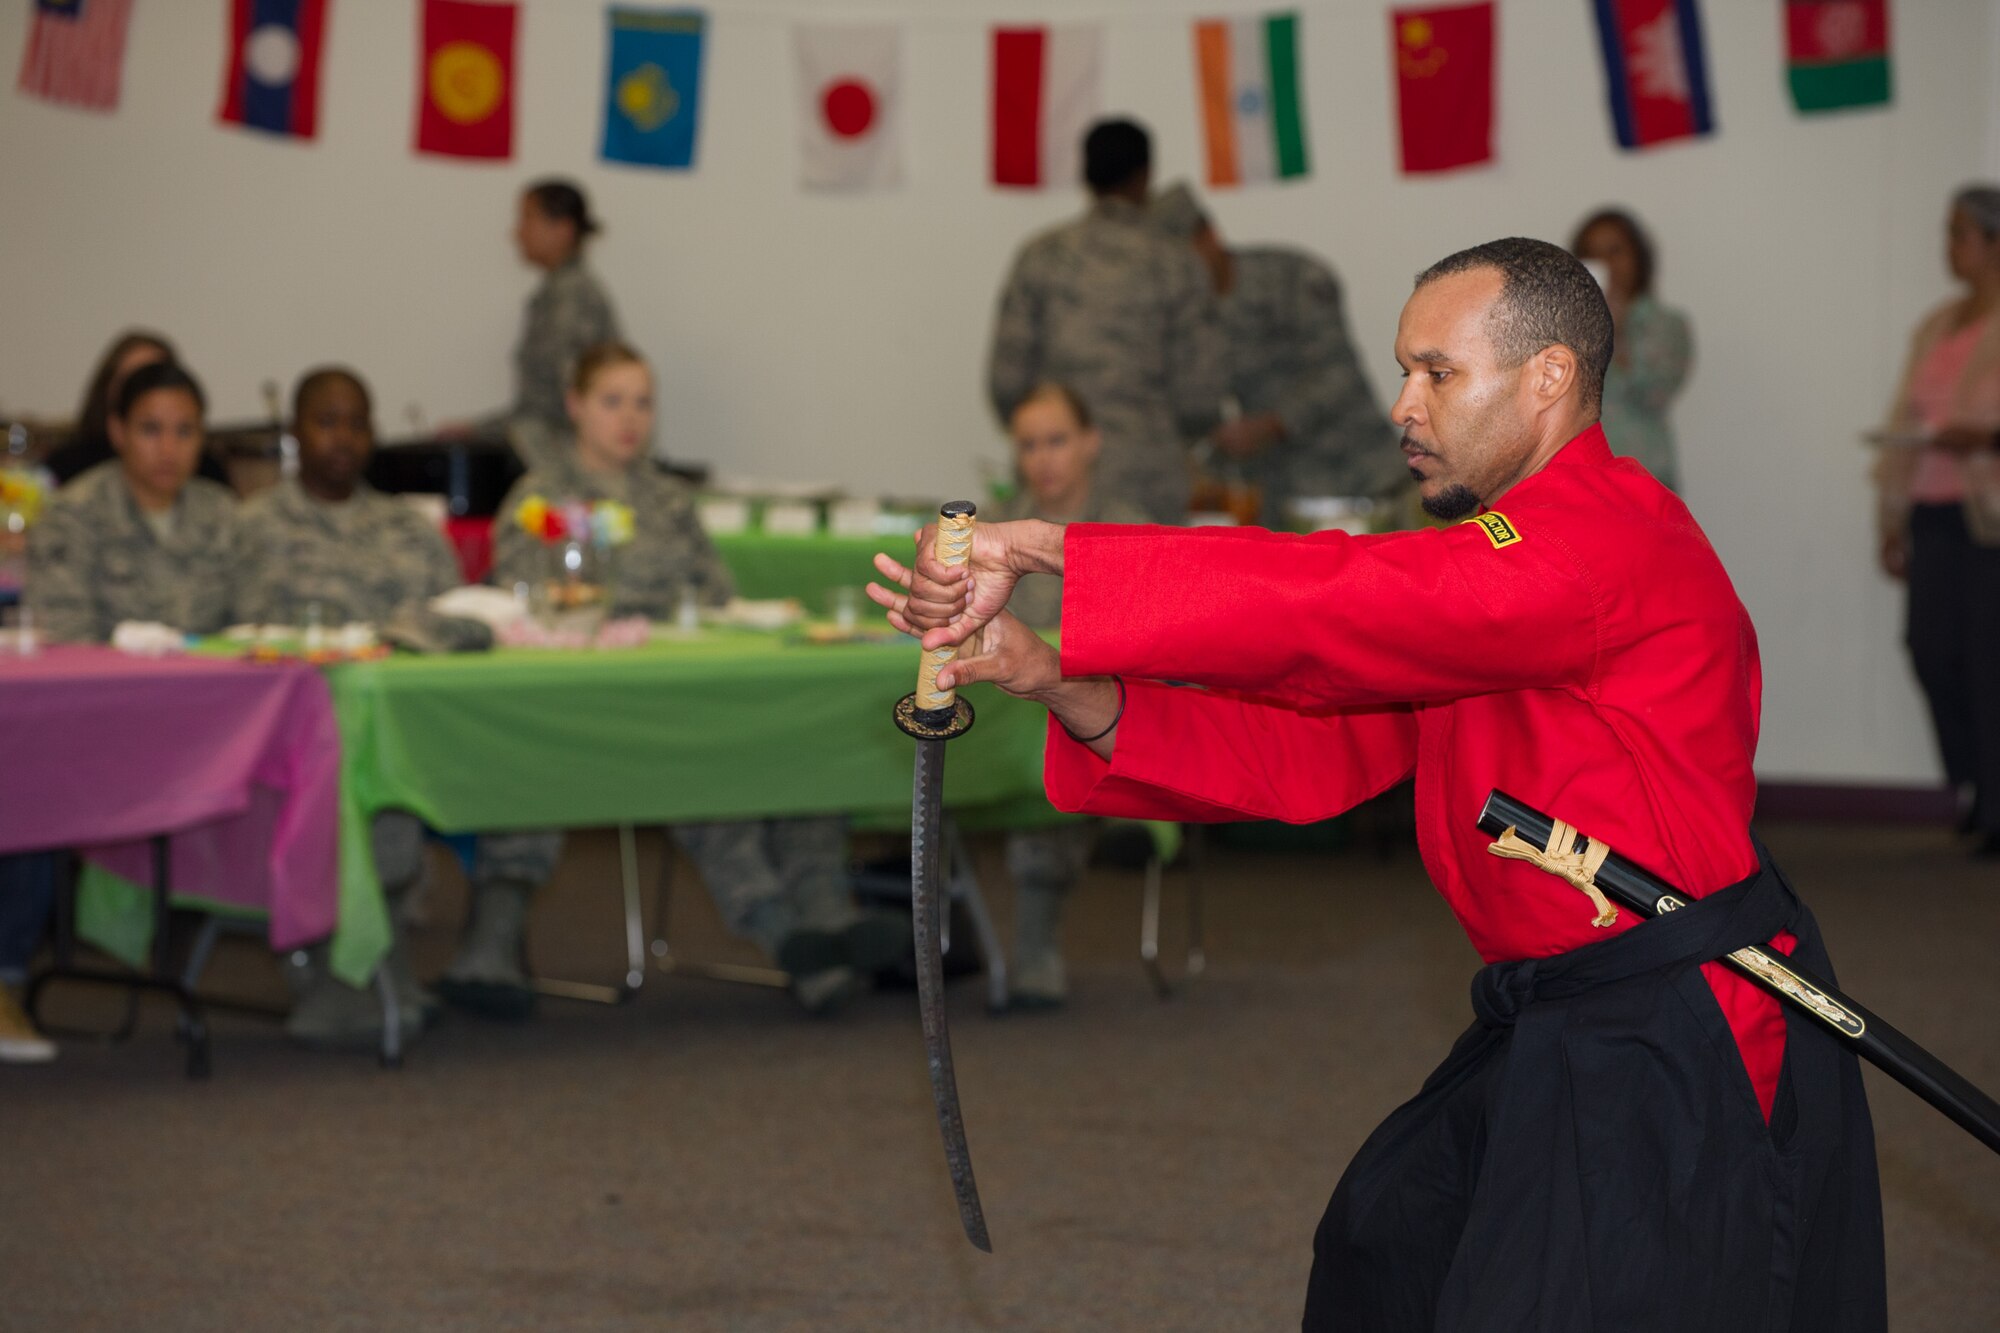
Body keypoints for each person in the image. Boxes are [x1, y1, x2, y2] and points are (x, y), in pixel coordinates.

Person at [874, 238, 1884, 1329]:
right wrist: (1055, 676)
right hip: (1555, 1008)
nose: (1402, 405)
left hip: (1670, 1021)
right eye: (1403, 370)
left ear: (1547, 377)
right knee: (1386, 1246)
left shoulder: (1598, 538)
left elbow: (1340, 597)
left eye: (1436, 374)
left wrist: (1051, 547)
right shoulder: (1493, 556)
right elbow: (1308, 754)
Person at [465, 342, 899, 1018]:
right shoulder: (539, 499)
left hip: (684, 682)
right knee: (705, 772)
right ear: (576, 406)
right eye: (613, 401)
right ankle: (787, 933)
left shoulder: (669, 499)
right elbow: (522, 604)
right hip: (584, 699)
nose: (630, 418)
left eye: (643, 402)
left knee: (798, 738)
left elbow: (717, 597)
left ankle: (828, 919)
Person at [235, 367, 470, 1049]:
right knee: (354, 771)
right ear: (295, 432)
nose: (344, 436)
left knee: (386, 764)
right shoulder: (250, 529)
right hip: (284, 738)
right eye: (326, 420)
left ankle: (370, 966)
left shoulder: (408, 529)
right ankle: (357, 972)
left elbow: (454, 623)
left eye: (358, 422)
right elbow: (225, 640)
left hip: (397, 727)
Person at [988, 383, 1149, 1008]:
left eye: (1056, 441)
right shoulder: (995, 533)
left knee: (1056, 749)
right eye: (1028, 445)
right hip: (1008, 711)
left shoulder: (1129, 528)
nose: (1043, 459)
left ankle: (1034, 950)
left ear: (1091, 443)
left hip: (1103, 708)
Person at [987, 119, 1228, 523]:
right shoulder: (1177, 263)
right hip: (1148, 477)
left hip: (1053, 485)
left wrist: (1050, 436)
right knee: (1145, 586)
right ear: (1146, 175)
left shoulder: (1042, 256)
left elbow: (1006, 383)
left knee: (1050, 586)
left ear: (1086, 175)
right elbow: (1201, 398)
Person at [1151, 183, 1405, 524]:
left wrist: (1272, 424)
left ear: (1209, 236)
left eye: (1183, 255)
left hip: (1361, 484)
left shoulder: (1293, 278)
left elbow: (1337, 374)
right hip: (1277, 504)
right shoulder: (1184, 317)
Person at [1874, 185, 2000, 854]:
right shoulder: (1938, 323)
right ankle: (1978, 781)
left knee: (1988, 661)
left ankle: (1995, 807)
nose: (1947, 246)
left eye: (1958, 233)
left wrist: (1985, 438)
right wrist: (1890, 519)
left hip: (1991, 519)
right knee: (1930, 651)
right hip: (1932, 509)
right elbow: (1907, 420)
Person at [28, 361, 239, 644]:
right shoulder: (71, 517)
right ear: (118, 432)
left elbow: (252, 630)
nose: (168, 449)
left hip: (215, 682)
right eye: (151, 430)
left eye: (185, 431)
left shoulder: (224, 513)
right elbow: (65, 638)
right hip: (111, 684)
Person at [464, 179, 623, 474]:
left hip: (565, 464)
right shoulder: (555, 293)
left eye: (527, 218)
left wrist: (481, 431)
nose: (517, 232)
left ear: (563, 229)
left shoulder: (572, 298)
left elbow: (562, 405)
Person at [1569, 208, 1693, 490]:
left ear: (1638, 257)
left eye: (1615, 251)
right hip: (1585, 480)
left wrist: (1618, 324)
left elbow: (1654, 392)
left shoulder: (1665, 324)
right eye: (1592, 254)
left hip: (1645, 477)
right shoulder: (1568, 331)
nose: (1605, 263)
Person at [41, 331, 229, 488]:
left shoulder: (208, 474)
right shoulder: (68, 466)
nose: (167, 449)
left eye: (153, 378)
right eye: (130, 379)